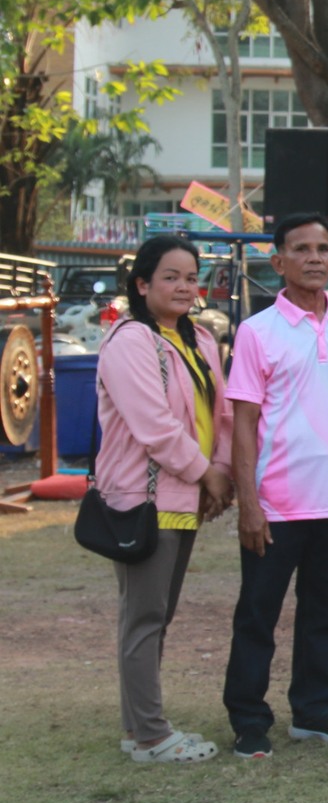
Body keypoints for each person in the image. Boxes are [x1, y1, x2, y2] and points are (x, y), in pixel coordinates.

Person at [222, 213, 328, 759]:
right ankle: (248, 719)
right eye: (301, 249)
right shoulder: (257, 331)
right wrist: (249, 504)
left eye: (323, 248)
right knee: (258, 616)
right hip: (277, 505)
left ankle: (314, 710)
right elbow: (243, 423)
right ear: (278, 261)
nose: (315, 258)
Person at [95, 234, 235, 764]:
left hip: (185, 495)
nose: (183, 287)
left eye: (190, 278)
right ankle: (152, 737)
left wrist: (220, 470)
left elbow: (222, 413)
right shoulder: (130, 340)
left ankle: (139, 730)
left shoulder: (199, 339)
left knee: (158, 615)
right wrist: (208, 475)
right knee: (144, 617)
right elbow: (153, 426)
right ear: (142, 284)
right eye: (170, 277)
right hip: (143, 497)